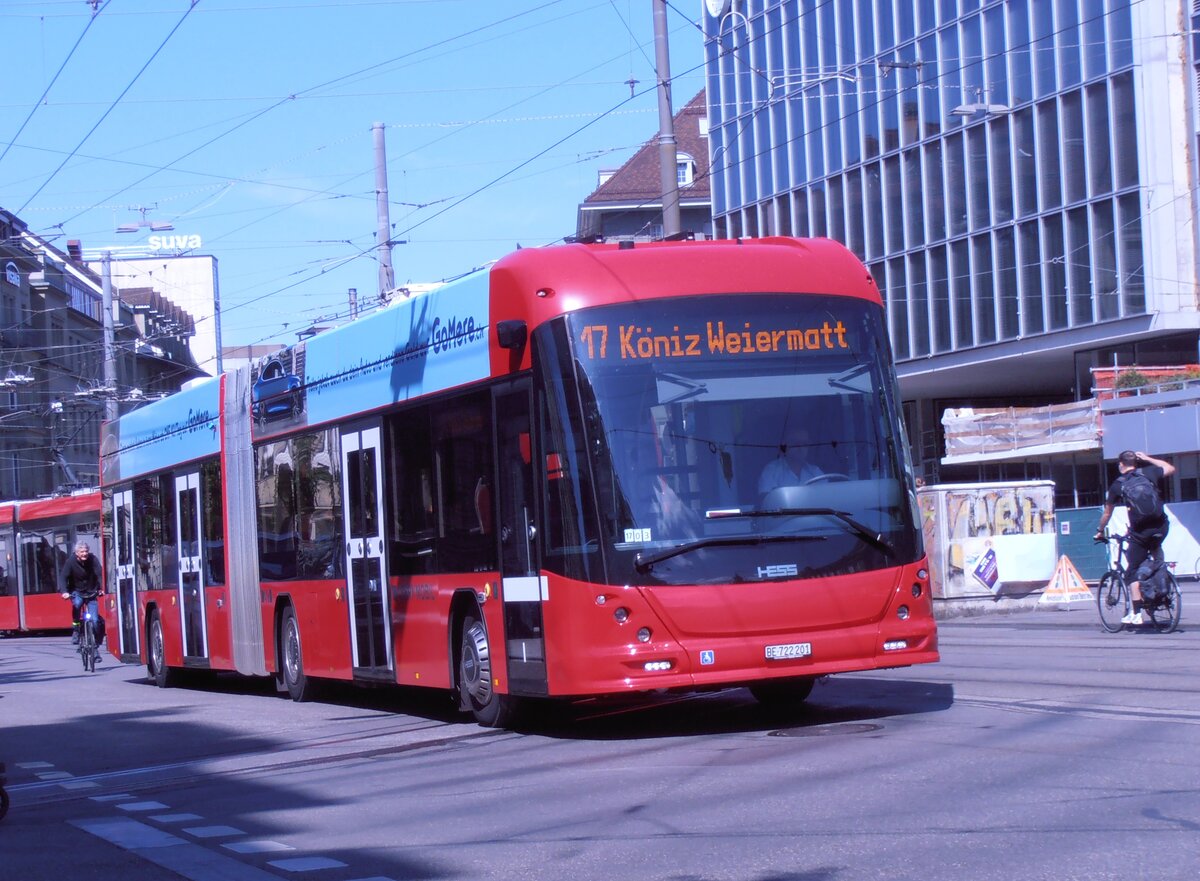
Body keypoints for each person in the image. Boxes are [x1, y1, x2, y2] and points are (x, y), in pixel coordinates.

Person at [1094, 450, 1175, 626]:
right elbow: (1170, 468)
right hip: (1162, 527)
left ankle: (1136, 613)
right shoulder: (1148, 473)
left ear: (1121, 464)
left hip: (1141, 533)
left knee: (1132, 570)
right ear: (1136, 462)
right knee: (1155, 551)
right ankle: (1161, 585)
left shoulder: (1118, 485)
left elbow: (1107, 513)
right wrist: (1147, 458)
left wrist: (1099, 530)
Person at [758, 422, 824, 495]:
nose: (801, 448)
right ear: (786, 446)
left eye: (804, 444)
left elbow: (826, 497)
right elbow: (766, 499)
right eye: (796, 444)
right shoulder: (772, 470)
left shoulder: (815, 472)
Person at [59, 541, 104, 646]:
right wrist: (64, 592)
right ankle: (76, 628)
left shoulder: (93, 559)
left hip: (91, 591)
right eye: (82, 552)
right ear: (77, 553)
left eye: (86, 551)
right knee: (77, 604)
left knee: (95, 620)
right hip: (77, 591)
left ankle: (96, 641)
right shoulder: (70, 561)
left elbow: (100, 574)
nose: (85, 554)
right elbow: (63, 577)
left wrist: (102, 588)